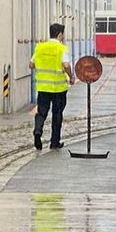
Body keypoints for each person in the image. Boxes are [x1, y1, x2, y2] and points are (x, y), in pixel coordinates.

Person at [32, 22, 74, 151]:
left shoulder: (40, 47)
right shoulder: (61, 48)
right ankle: (54, 142)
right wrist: (71, 77)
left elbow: (31, 65)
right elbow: (66, 65)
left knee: (41, 112)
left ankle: (38, 130)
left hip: (43, 87)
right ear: (60, 34)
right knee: (57, 114)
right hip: (58, 88)